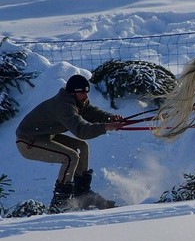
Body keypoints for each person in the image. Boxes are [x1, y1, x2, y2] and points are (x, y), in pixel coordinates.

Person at [15, 74, 124, 212]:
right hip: (27, 141)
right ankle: (60, 201)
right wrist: (106, 127)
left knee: (81, 147)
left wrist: (111, 118)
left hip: (44, 136)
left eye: (87, 92)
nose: (85, 95)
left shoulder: (79, 101)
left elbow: (94, 114)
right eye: (82, 92)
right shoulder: (64, 105)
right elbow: (81, 130)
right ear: (72, 93)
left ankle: (83, 194)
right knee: (70, 156)